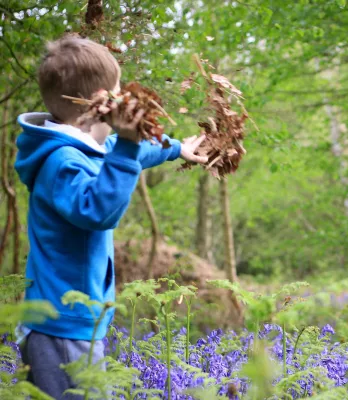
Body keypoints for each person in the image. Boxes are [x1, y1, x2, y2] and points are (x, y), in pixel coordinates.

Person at [13, 35, 208, 399]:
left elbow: (123, 153)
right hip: (62, 324)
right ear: (101, 104)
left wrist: (178, 148)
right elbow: (98, 210)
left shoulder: (81, 149)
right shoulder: (62, 163)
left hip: (69, 320)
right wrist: (130, 145)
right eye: (118, 91)